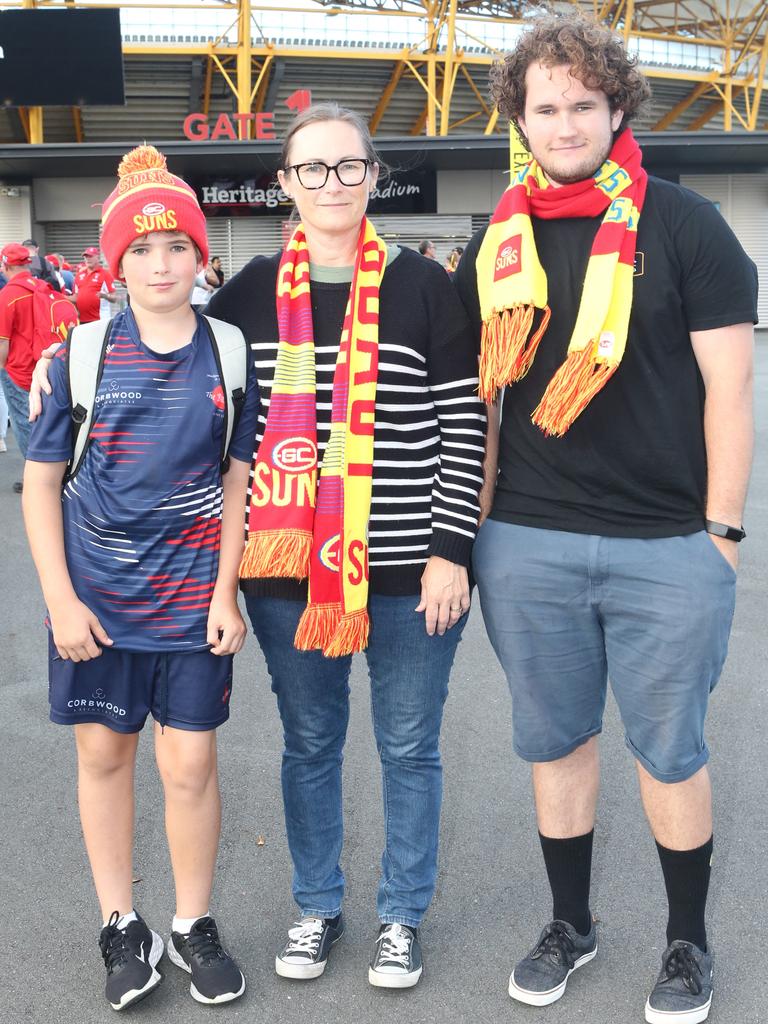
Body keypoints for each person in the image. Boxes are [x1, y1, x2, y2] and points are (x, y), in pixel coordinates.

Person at [454, 14, 756, 1024]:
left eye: (585, 103)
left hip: (668, 544)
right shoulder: (498, 242)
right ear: (521, 119)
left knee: (669, 749)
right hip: (529, 542)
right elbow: (476, 397)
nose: (567, 122)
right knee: (557, 744)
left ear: (617, 106)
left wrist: (721, 534)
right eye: (547, 107)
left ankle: (687, 943)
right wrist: (481, 526)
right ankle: (571, 925)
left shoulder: (685, 225)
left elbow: (729, 388)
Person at [206, 102, 485, 989]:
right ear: (285, 184)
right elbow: (202, 404)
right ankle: (316, 904)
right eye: (312, 169)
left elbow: (463, 424)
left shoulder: (423, 285)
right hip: (288, 576)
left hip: (410, 572)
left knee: (409, 747)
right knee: (310, 742)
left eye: (349, 166)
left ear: (374, 175)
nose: (332, 183)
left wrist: (453, 552)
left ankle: (401, 916)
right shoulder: (247, 296)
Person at [22, 145, 258, 1012]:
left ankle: (193, 924)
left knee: (191, 764)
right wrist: (59, 601)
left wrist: (227, 590)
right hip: (97, 606)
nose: (161, 265)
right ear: (114, 265)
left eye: (178, 248)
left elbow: (237, 481)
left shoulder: (229, 351)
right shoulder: (80, 354)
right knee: (104, 754)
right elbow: (41, 486)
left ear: (202, 257)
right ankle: (123, 925)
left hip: (194, 602)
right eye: (141, 251)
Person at [0, 243, 44, 492]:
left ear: (6, 266)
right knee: (45, 420)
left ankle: (36, 480)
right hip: (44, 363)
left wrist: (2, 367)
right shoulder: (40, 286)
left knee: (24, 422)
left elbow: (2, 341)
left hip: (18, 369)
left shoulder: (8, 294)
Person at [75, 246, 119, 322]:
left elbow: (114, 298)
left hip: (100, 320)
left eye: (90, 256)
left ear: (97, 257)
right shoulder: (79, 275)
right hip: (82, 320)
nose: (88, 259)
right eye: (86, 257)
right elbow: (76, 297)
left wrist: (104, 296)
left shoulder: (105, 274)